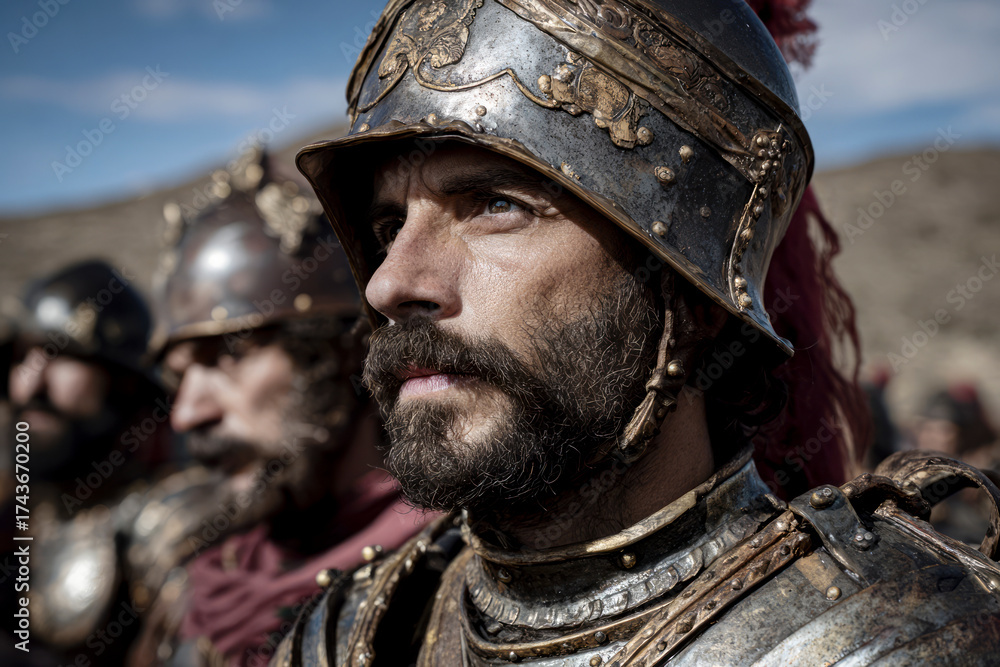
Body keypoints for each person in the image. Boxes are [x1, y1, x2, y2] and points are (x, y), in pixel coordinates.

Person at [273, 0, 1000, 665]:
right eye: (389, 225)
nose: (389, 283)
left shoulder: (900, 636)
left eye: (495, 203)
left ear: (686, 298)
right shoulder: (350, 636)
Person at [132, 148, 432, 667]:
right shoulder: (203, 581)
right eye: (179, 378)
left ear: (340, 357)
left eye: (226, 356)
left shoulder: (443, 570)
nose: (187, 415)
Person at [1, 259, 175, 664]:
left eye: (61, 356)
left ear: (124, 384)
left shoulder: (169, 533)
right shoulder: (11, 514)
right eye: (22, 356)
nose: (31, 385)